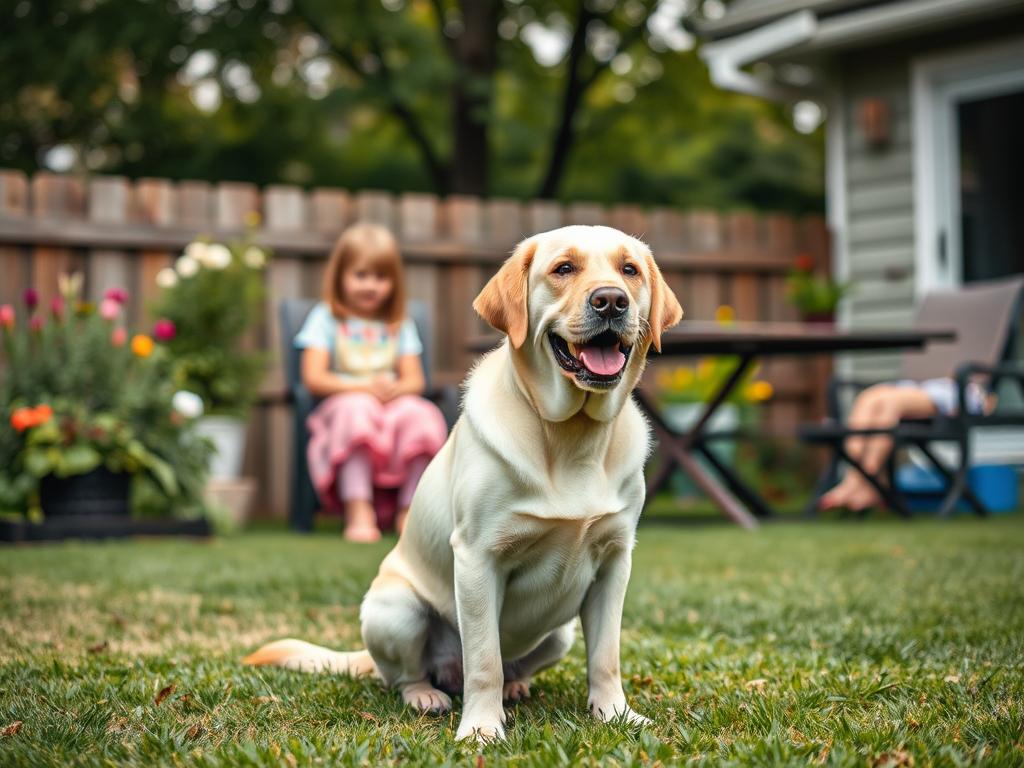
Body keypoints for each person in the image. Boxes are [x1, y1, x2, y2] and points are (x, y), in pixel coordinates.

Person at [295, 222, 447, 542]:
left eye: (381, 277)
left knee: (422, 414)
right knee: (357, 409)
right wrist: (362, 388)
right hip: (343, 409)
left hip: (390, 408)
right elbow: (313, 378)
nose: (371, 286)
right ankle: (358, 508)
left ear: (394, 282)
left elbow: (414, 380)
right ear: (340, 277)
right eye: (361, 275)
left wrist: (395, 389)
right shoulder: (325, 318)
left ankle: (411, 511)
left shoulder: (397, 323)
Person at [819, 378, 991, 511]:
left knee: (890, 403)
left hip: (956, 391)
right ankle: (866, 480)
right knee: (869, 396)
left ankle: (859, 480)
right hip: (926, 385)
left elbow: (988, 400)